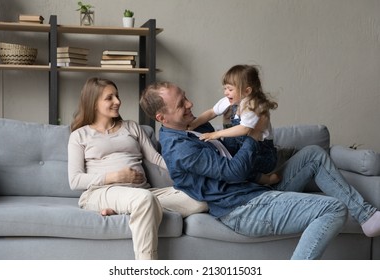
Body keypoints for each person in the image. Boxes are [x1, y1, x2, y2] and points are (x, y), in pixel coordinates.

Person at [139, 81, 380, 260]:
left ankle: (367, 216)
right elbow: (234, 171)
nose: (190, 104)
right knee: (333, 208)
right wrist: (253, 135)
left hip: (255, 189)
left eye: (186, 97)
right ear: (162, 117)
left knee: (313, 155)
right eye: (181, 104)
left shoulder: (197, 125)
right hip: (242, 209)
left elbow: (245, 155)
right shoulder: (179, 148)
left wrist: (246, 121)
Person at [68, 77, 207, 260]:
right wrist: (115, 177)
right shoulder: (80, 135)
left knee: (202, 198)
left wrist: (190, 170)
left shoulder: (131, 127)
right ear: (93, 103)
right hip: (102, 192)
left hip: (144, 193)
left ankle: (128, 208)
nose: (117, 102)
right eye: (109, 98)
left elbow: (156, 158)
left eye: (117, 96)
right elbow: (75, 180)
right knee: (144, 199)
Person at [188, 65, 279, 186]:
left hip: (263, 153)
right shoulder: (230, 101)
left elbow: (244, 128)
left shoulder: (253, 105)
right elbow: (211, 112)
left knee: (239, 168)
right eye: (225, 88)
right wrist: (193, 124)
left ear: (247, 91)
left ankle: (266, 180)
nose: (226, 93)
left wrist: (216, 134)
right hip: (241, 149)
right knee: (228, 163)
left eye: (230, 89)